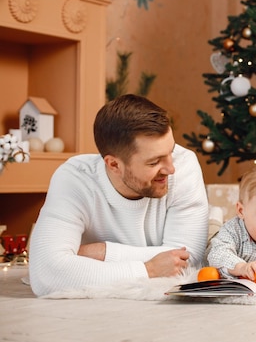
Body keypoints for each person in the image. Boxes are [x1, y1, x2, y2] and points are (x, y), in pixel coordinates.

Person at [28, 95, 209, 297]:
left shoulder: (184, 165)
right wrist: (148, 270)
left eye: (171, 151)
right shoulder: (75, 179)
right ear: (114, 165)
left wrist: (101, 252)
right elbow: (46, 274)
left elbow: (186, 259)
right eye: (154, 162)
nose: (171, 168)